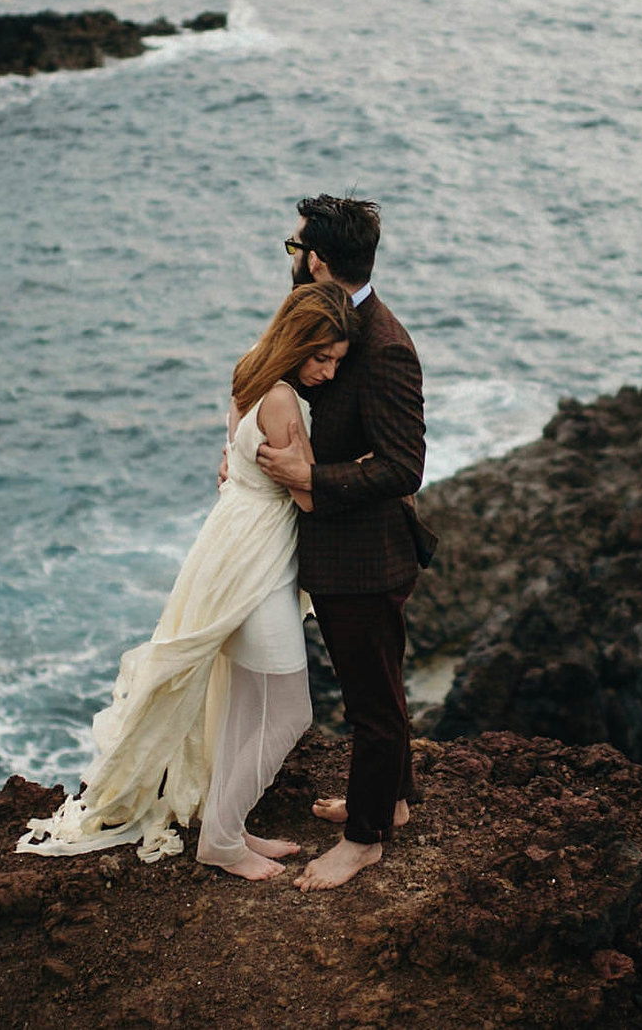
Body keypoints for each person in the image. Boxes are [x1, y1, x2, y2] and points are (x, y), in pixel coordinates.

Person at [16, 283, 358, 879]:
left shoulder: (250, 370)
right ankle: (222, 840)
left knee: (247, 705)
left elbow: (238, 454)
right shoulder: (280, 399)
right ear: (296, 345)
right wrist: (347, 470)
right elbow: (307, 496)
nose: (328, 372)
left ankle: (229, 827)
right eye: (320, 357)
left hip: (231, 545)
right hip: (255, 562)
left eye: (336, 361)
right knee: (289, 712)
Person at [256, 194, 429, 892]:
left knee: (372, 705)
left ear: (318, 260)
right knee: (380, 688)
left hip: (365, 557)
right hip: (343, 553)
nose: (293, 259)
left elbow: (404, 466)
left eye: (296, 249)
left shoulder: (382, 346)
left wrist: (312, 477)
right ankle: (390, 803)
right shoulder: (327, 319)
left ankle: (365, 842)